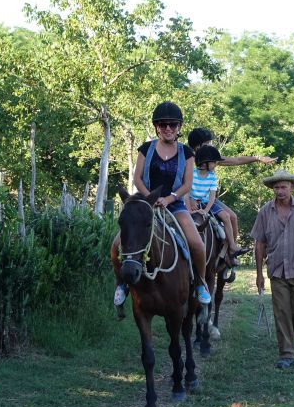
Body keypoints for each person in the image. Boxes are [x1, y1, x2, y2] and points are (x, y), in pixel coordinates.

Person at [112, 102, 211, 313]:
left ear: (178, 127)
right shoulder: (146, 149)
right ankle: (121, 282)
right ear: (156, 126)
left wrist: (168, 198)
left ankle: (200, 283)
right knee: (116, 244)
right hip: (144, 203)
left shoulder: (186, 152)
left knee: (196, 243)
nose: (168, 128)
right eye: (163, 124)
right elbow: (137, 178)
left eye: (172, 125)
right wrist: (150, 198)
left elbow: (187, 184)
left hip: (174, 204)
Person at [250, 169, 294, 369]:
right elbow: (259, 243)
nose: (280, 191)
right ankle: (286, 354)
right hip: (276, 270)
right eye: (276, 187)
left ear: (292, 187)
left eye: (283, 187)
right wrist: (258, 274)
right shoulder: (266, 211)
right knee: (281, 311)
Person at [185, 127, 276, 256]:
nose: (211, 145)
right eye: (208, 143)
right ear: (198, 145)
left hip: (208, 197)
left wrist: (258, 158)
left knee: (232, 217)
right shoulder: (187, 158)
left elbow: (236, 160)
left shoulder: (209, 156)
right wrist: (190, 199)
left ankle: (230, 252)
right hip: (189, 197)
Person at [191, 145, 248, 263]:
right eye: (214, 162)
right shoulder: (191, 174)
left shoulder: (212, 176)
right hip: (193, 203)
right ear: (205, 162)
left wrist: (205, 211)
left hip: (207, 203)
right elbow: (186, 192)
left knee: (227, 217)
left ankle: (232, 246)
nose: (216, 164)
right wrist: (191, 204)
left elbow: (212, 197)